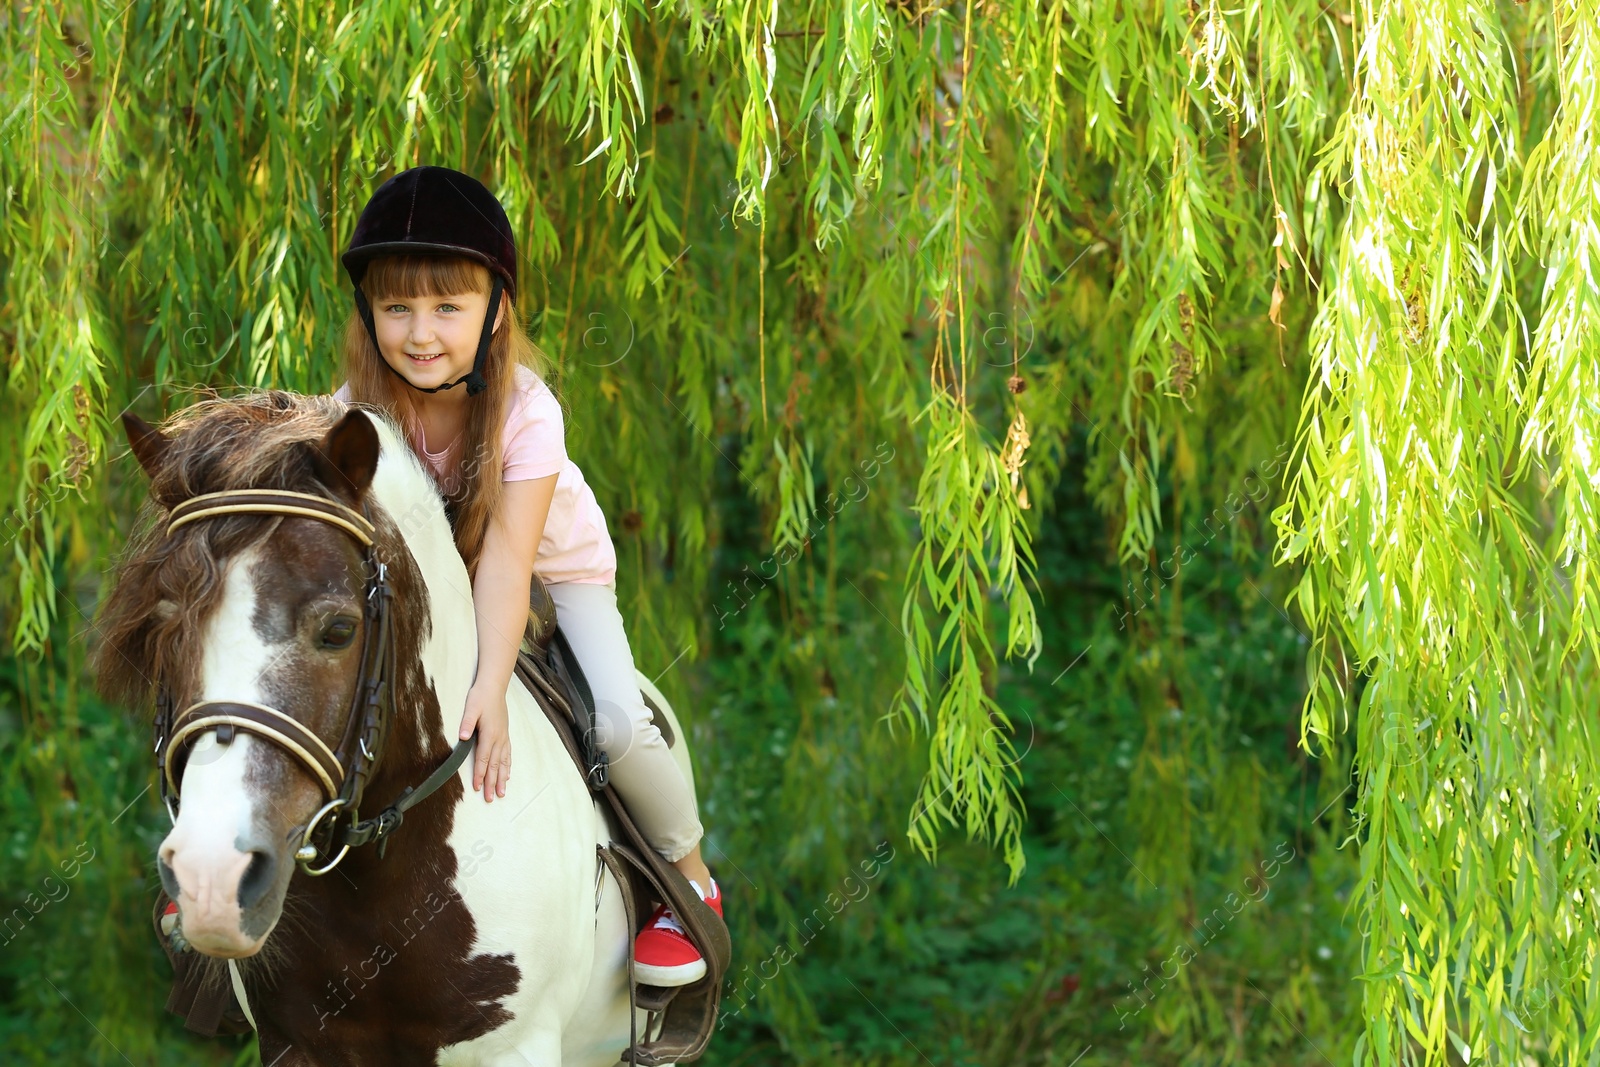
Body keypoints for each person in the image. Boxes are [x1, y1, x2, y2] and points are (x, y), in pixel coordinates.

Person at [332, 165, 719, 986]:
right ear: (369, 315)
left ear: (496, 310)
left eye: (448, 306)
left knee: (614, 721)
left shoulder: (526, 412)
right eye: (397, 307)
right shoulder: (354, 416)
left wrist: (490, 696)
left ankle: (688, 878)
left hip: (551, 574)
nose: (421, 331)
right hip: (426, 586)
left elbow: (508, 565)